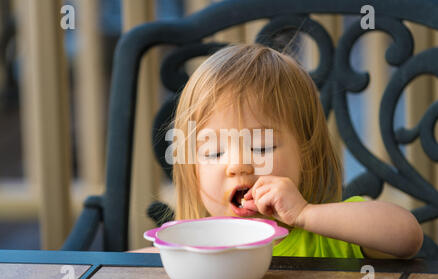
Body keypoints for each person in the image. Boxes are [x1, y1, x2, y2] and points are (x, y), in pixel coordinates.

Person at [133, 43, 423, 259]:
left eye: (261, 146)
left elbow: (408, 236)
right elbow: (124, 270)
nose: (238, 165)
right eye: (214, 153)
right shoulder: (192, 249)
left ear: (306, 156)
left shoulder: (331, 234)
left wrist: (306, 214)